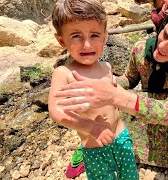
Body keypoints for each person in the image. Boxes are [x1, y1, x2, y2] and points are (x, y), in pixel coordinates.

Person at [55, 3, 168, 179]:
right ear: (162, 26)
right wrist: (105, 84)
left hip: (166, 114)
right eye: (164, 35)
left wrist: (116, 96)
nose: (162, 46)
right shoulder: (141, 50)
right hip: (143, 109)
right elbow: (130, 80)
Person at [48, 0, 139, 179]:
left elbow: (115, 92)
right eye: (76, 36)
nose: (87, 45)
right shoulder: (64, 73)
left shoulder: (106, 66)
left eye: (94, 35)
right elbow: (55, 110)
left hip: (120, 137)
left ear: (105, 37)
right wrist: (90, 126)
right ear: (61, 40)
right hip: (93, 145)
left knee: (130, 176)